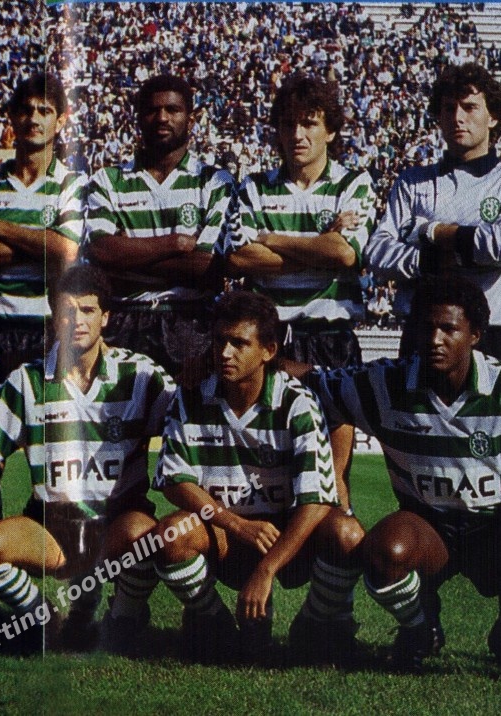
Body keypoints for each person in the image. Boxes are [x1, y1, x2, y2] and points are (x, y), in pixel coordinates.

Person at [298, 278, 501, 680]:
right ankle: (419, 628)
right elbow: (314, 380)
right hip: (428, 527)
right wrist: (258, 357)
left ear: (475, 334)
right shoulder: (384, 383)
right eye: (426, 328)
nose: (434, 339)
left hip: (496, 525)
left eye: (448, 329)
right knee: (384, 551)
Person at [0, 265, 175, 654]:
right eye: (68, 311)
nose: (78, 321)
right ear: (54, 317)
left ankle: (123, 616)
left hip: (114, 522)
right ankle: (42, 615)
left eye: (88, 310)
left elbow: (184, 419)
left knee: (147, 535)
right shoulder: (29, 381)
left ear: (106, 317)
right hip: (52, 524)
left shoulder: (139, 374)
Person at [151, 290, 363, 665]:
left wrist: (266, 569)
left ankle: (313, 624)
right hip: (225, 531)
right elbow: (174, 480)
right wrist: (237, 524)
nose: (225, 352)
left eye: (239, 343)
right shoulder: (190, 398)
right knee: (171, 534)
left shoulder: (297, 403)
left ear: (268, 350)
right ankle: (214, 624)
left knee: (346, 534)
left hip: (286, 534)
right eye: (219, 341)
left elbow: (316, 501)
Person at [0, 72, 84, 626]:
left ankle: (68, 601)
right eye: (25, 109)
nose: (33, 118)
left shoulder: (71, 184)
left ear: (60, 121)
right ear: (12, 119)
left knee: (57, 469)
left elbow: (69, 252)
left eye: (44, 110)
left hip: (45, 336)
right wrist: (38, 244)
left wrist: (3, 229)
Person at [217, 72, 377, 514]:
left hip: (331, 335)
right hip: (272, 340)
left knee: (333, 484)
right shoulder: (254, 187)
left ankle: (334, 537)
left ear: (331, 131)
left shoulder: (353, 183)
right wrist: (319, 247)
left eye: (309, 123)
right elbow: (238, 257)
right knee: (269, 471)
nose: (298, 135)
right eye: (289, 124)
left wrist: (272, 238)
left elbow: (345, 253)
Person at [366, 63, 501, 371]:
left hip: (496, 332)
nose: (458, 118)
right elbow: (378, 253)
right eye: (449, 108)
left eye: (469, 107)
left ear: (493, 117)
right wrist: (428, 261)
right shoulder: (412, 181)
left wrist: (431, 232)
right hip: (425, 334)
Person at [82, 74, 233, 377]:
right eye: (152, 110)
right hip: (124, 319)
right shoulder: (108, 180)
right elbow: (101, 252)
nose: (162, 118)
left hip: (190, 323)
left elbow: (206, 266)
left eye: (173, 110)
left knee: (188, 406)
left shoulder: (214, 181)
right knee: (122, 405)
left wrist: (126, 258)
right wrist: (176, 243)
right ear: (139, 118)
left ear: (191, 120)